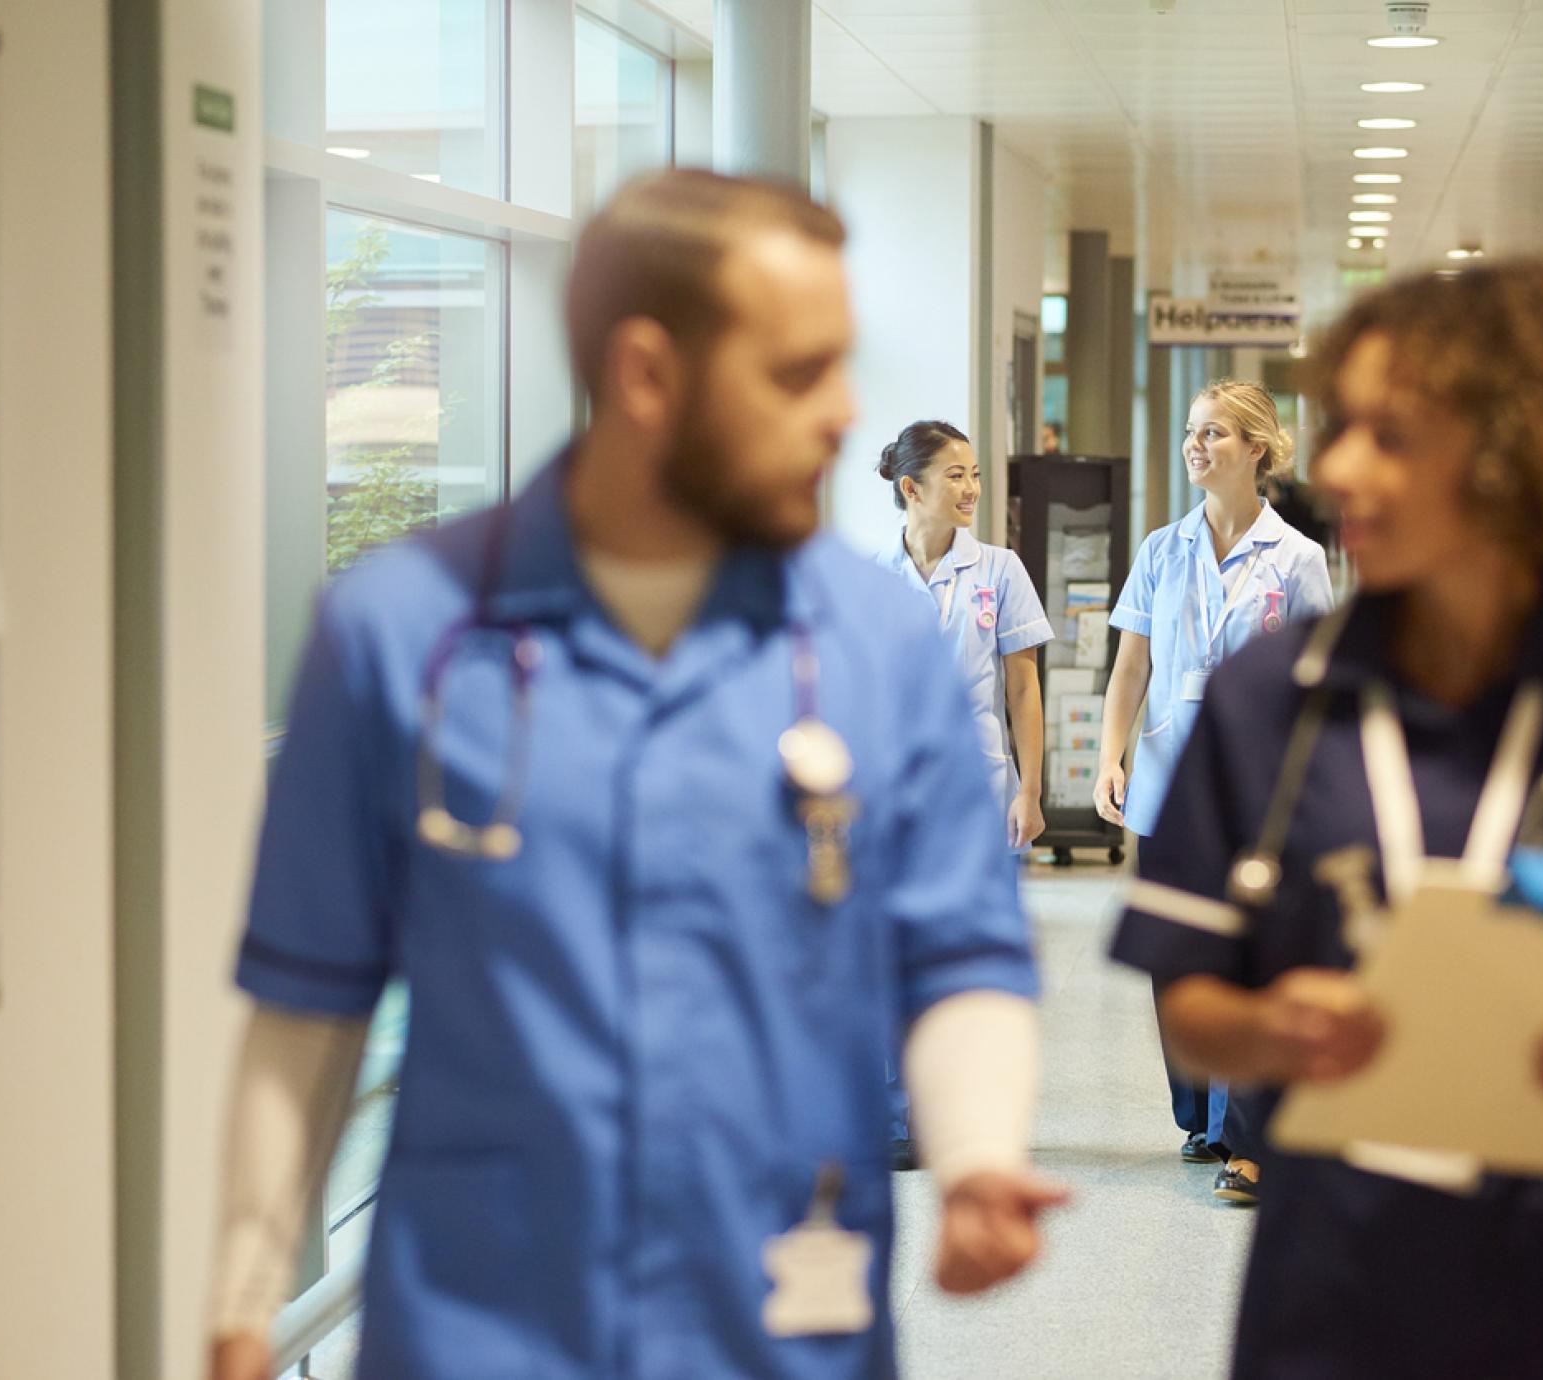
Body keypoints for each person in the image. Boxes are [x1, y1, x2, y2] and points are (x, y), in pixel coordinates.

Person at [206, 170, 1068, 1380]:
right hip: (477, 1327)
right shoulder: (400, 635)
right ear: (647, 374)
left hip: (779, 1317)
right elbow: (309, 1001)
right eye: (795, 372)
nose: (841, 414)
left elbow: (960, 953)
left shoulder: (874, 645)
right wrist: (244, 1301)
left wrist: (976, 1157)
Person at [1112, 260, 1543, 1380]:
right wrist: (1270, 1036)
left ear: (1523, 455)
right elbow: (1192, 1001)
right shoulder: (1272, 702)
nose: (1341, 465)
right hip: (1330, 1279)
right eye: (1338, 426)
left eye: (1388, 434)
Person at [1094, 380, 1334, 1203]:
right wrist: (1108, 759)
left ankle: (1248, 1138)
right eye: (1191, 431)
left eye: (1215, 434)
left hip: (1259, 790)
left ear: (1257, 449)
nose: (1196, 446)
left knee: (1249, 961)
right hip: (1168, 782)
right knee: (1180, 960)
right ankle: (1201, 1116)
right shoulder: (1162, 549)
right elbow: (1131, 666)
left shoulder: (1297, 558)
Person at [872, 420, 1055, 1169]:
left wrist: (1031, 790)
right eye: (956, 476)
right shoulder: (872, 575)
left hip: (981, 789)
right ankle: (894, 1118)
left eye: (975, 474)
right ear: (911, 488)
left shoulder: (1000, 570)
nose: (972, 489)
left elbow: (1023, 686)